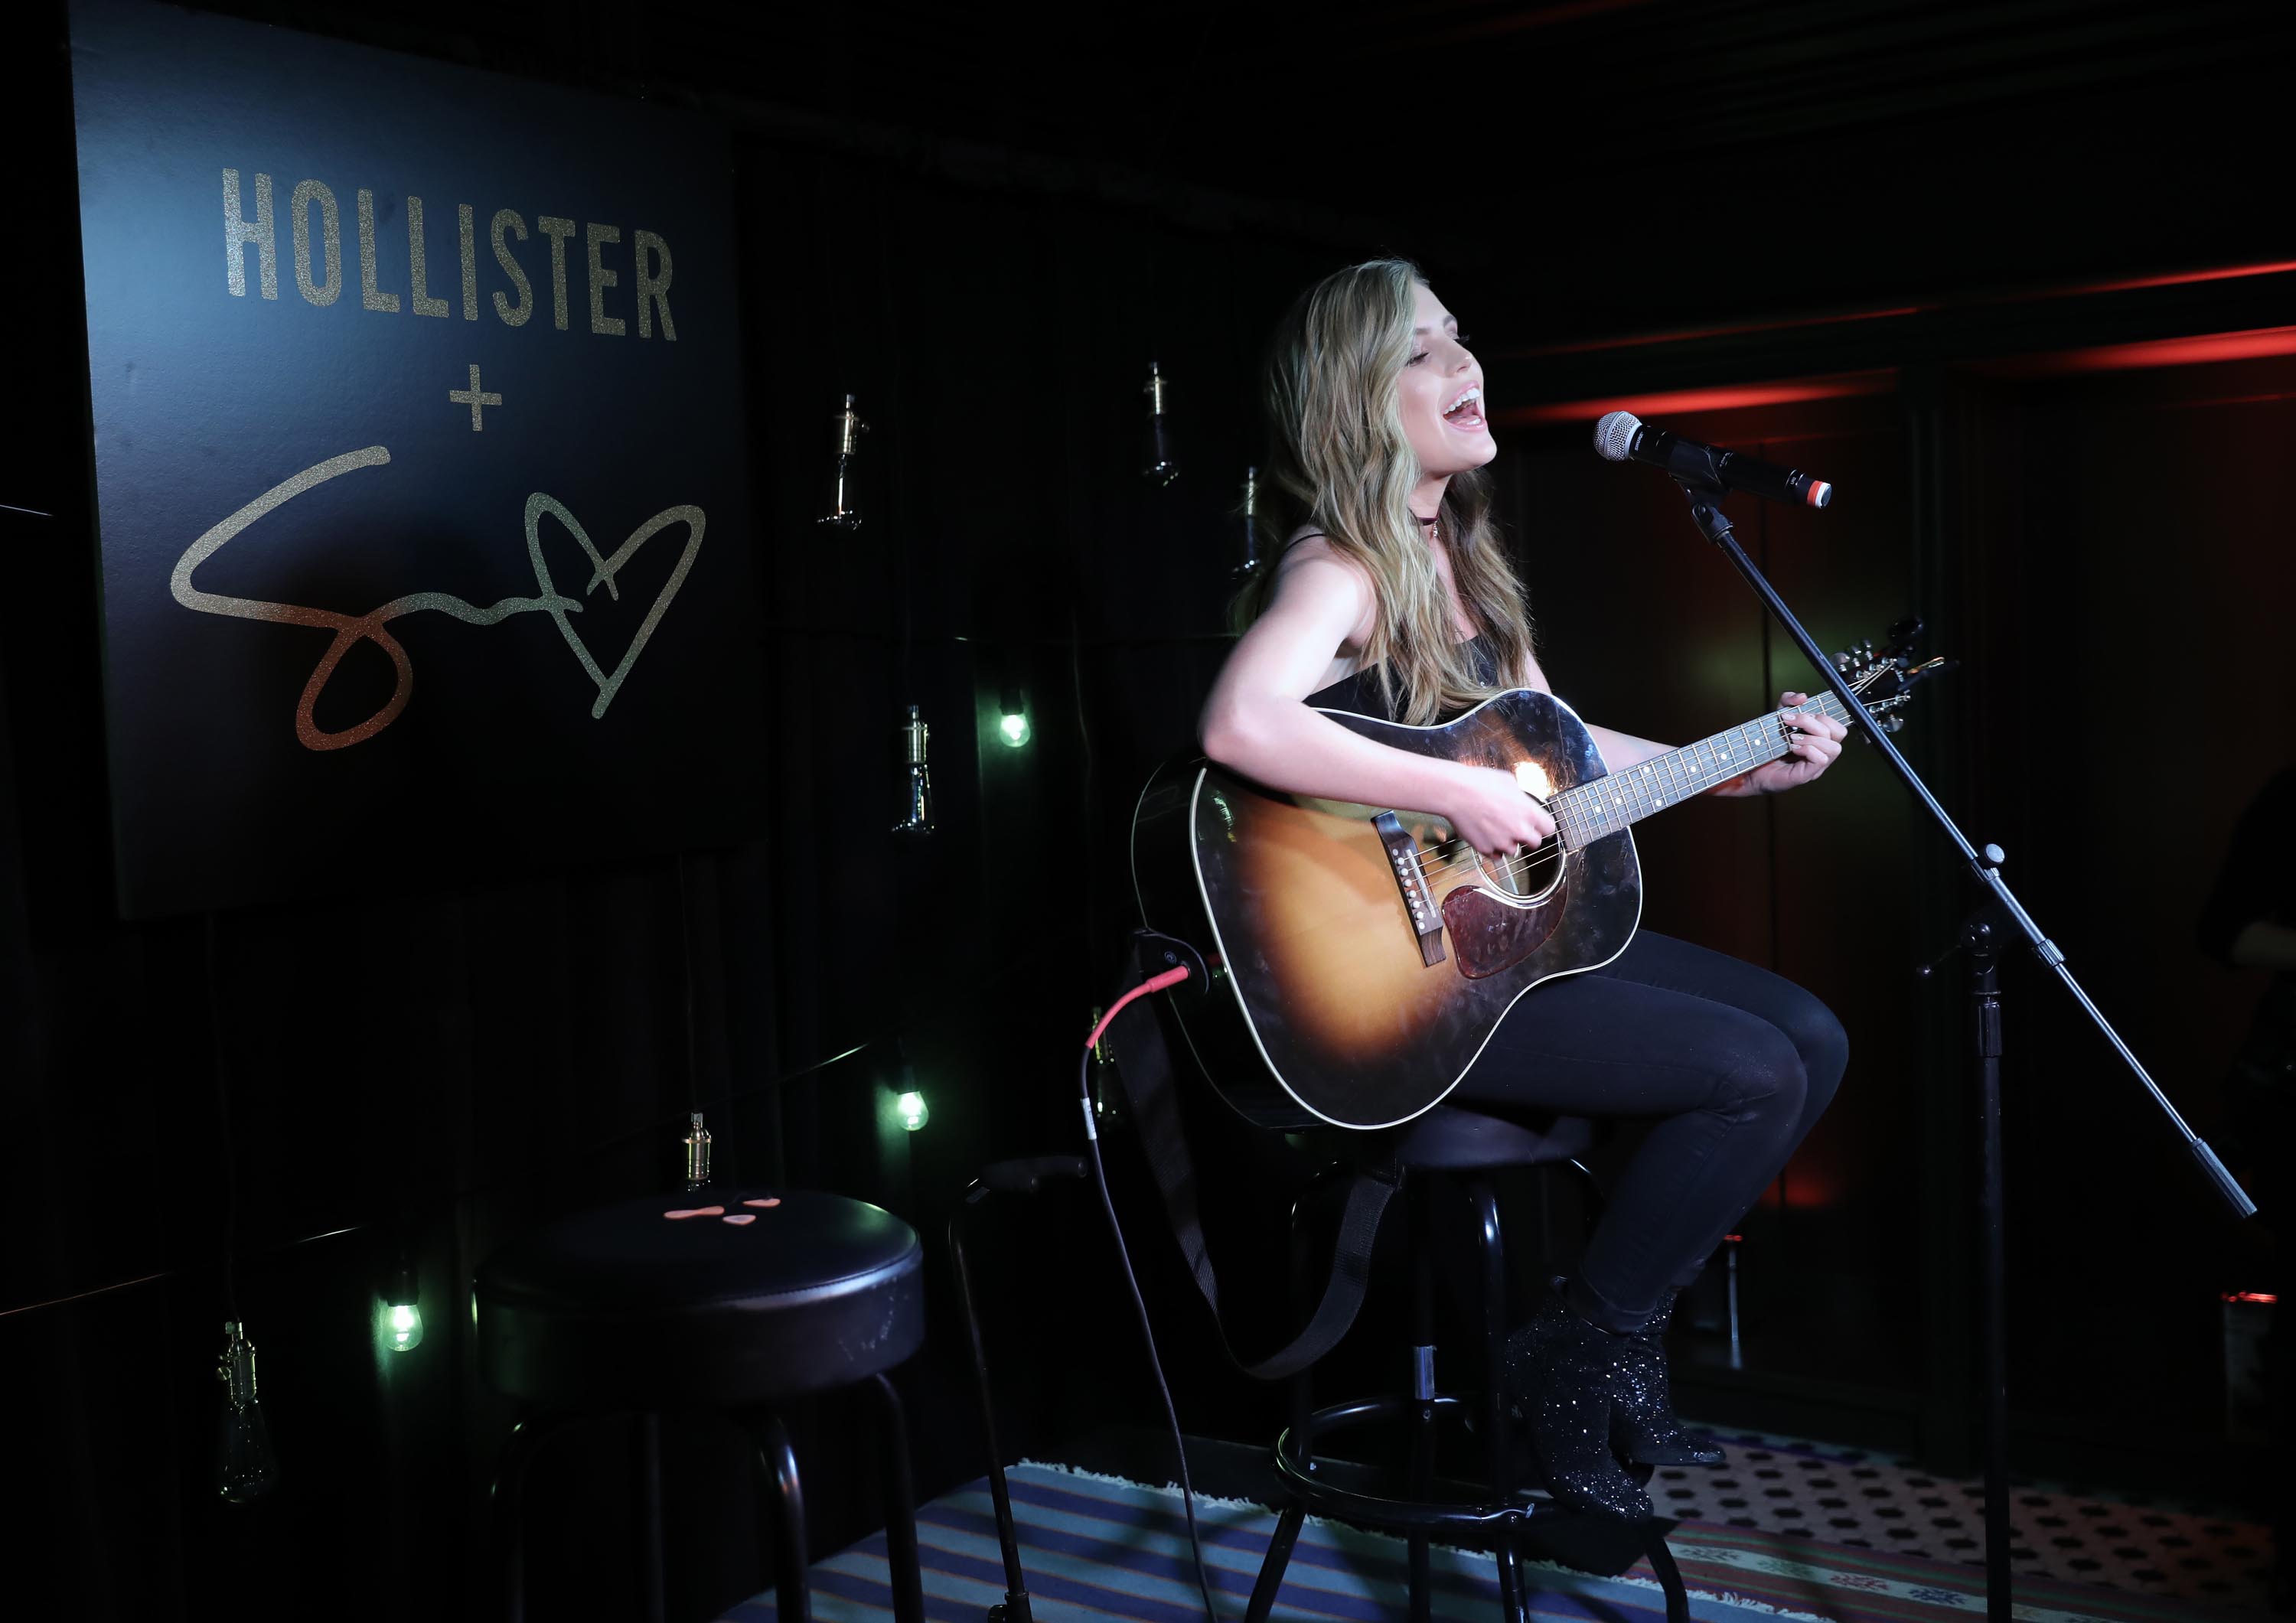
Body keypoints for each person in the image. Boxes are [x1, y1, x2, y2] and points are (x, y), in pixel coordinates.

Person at [1198, 257, 1851, 1520]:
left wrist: (1749, 767)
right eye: (1423, 352)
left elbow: (1571, 764)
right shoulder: (1340, 566)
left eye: (1463, 338)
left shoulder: (1470, 568)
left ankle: (1600, 1330)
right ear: (1356, 400)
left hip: (1506, 938)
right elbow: (1237, 720)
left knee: (1812, 1037)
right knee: (1752, 1070)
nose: (1467, 365)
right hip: (1417, 980)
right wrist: (1451, 793)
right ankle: (1583, 1346)